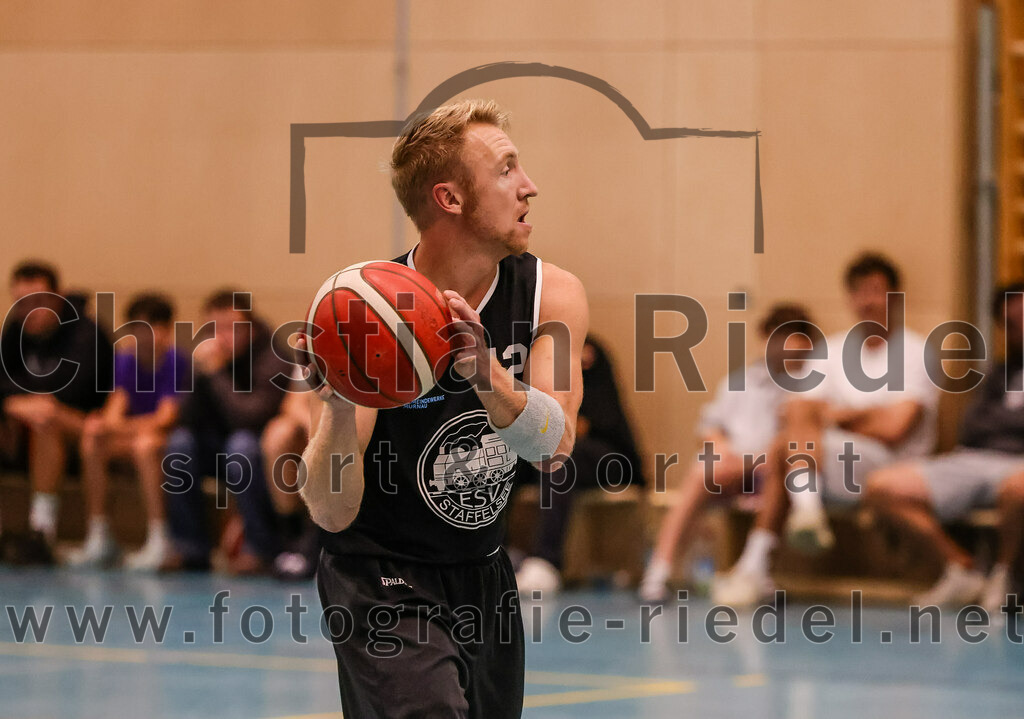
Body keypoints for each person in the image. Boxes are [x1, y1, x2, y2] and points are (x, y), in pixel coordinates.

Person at [298, 99, 587, 719]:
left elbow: (553, 446)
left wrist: (484, 372)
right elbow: (329, 511)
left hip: (483, 573)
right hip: (380, 574)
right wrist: (339, 407)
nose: (529, 186)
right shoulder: (367, 310)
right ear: (451, 199)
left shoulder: (550, 293)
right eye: (507, 170)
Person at [713, 253, 938, 607]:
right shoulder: (831, 350)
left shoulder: (917, 352)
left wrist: (837, 415)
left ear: (895, 296)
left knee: (786, 447)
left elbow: (895, 429)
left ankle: (759, 559)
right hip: (827, 462)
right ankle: (799, 518)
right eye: (859, 292)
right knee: (792, 431)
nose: (868, 300)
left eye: (877, 291)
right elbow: (797, 410)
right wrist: (861, 416)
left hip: (890, 467)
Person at [638, 304, 815, 602]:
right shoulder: (741, 381)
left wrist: (754, 460)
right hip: (733, 468)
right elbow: (710, 428)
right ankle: (658, 572)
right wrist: (721, 450)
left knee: (778, 467)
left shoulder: (811, 386)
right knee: (699, 473)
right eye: (781, 336)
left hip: (776, 469)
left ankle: (756, 571)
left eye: (796, 337)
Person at [865, 283, 1024, 612]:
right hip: (972, 459)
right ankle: (962, 569)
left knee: (1020, 487)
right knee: (882, 486)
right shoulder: (998, 372)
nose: (1018, 328)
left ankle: (1004, 575)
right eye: (1009, 322)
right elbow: (972, 426)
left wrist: (1003, 425)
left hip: (1018, 467)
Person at [160, 289, 289, 573]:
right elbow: (186, 418)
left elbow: (250, 418)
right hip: (216, 446)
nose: (221, 337)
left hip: (261, 450)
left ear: (251, 330)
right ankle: (189, 547)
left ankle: (259, 549)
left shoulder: (273, 355)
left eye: (231, 329)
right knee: (179, 443)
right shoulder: (207, 358)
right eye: (214, 329)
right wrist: (200, 372)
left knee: (241, 446)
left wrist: (217, 374)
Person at [0, 260, 113, 563]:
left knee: (46, 417)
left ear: (58, 296)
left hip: (87, 431)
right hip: (30, 429)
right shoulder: (15, 331)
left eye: (37, 301)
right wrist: (14, 403)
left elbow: (70, 389)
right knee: (35, 414)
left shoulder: (85, 332)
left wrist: (23, 399)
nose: (29, 312)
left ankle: (42, 529)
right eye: (21, 303)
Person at [513, 334, 643, 594]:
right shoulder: (531, 353)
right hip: (549, 443)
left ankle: (546, 561)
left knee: (559, 454)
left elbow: (581, 423)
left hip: (609, 457)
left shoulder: (589, 351)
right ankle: (500, 551)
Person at [67, 293, 188, 569]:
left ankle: (160, 537)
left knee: (145, 445)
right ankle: (99, 534)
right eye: (139, 328)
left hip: (169, 443)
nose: (147, 336)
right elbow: (114, 410)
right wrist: (103, 426)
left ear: (167, 330)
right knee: (92, 442)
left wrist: (120, 427)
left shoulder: (177, 362)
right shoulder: (124, 361)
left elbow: (165, 419)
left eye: (155, 328)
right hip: (136, 437)